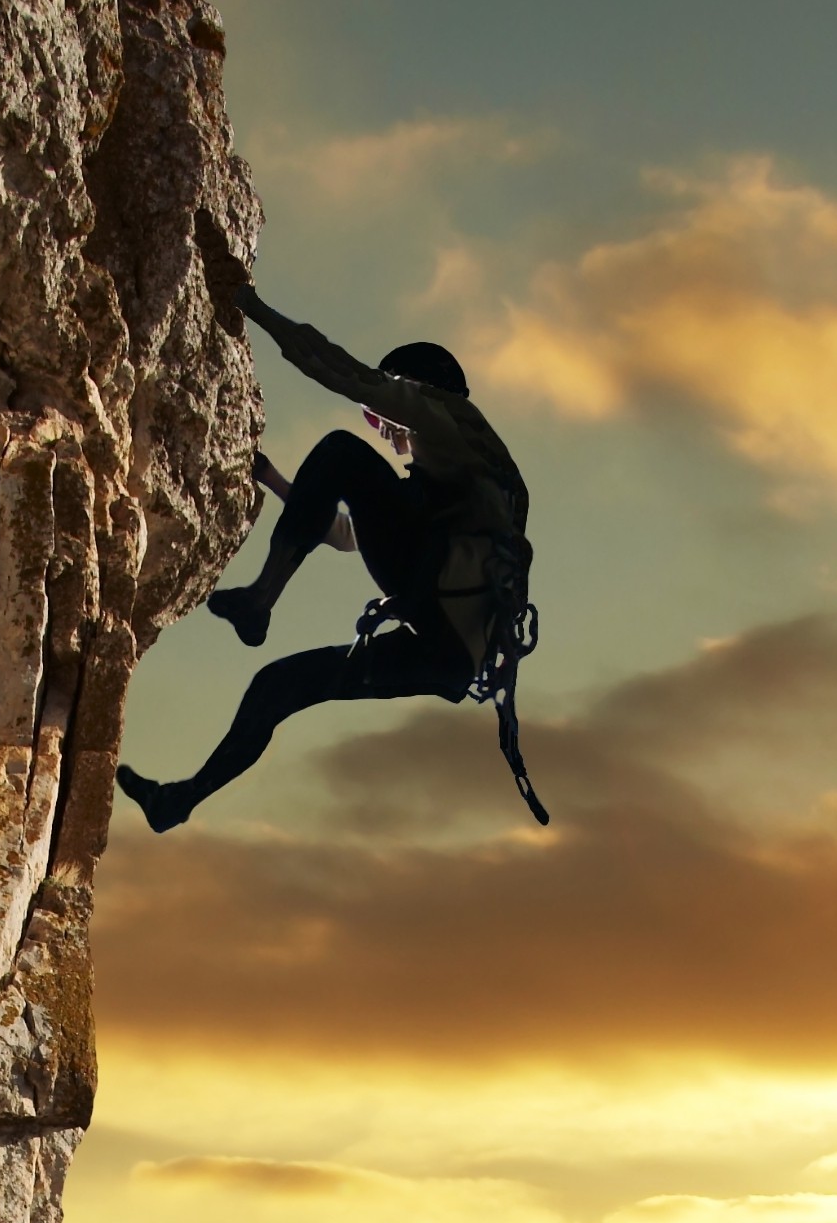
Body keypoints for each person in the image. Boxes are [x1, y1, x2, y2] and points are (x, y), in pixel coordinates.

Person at [116, 213, 545, 832]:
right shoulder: (469, 481)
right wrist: (273, 481)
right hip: (444, 654)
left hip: (435, 619)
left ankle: (262, 600)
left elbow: (336, 369)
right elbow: (347, 535)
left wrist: (246, 302)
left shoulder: (450, 424)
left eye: (387, 410)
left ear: (417, 392)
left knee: (342, 453)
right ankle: (178, 801)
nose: (385, 428)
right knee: (277, 685)